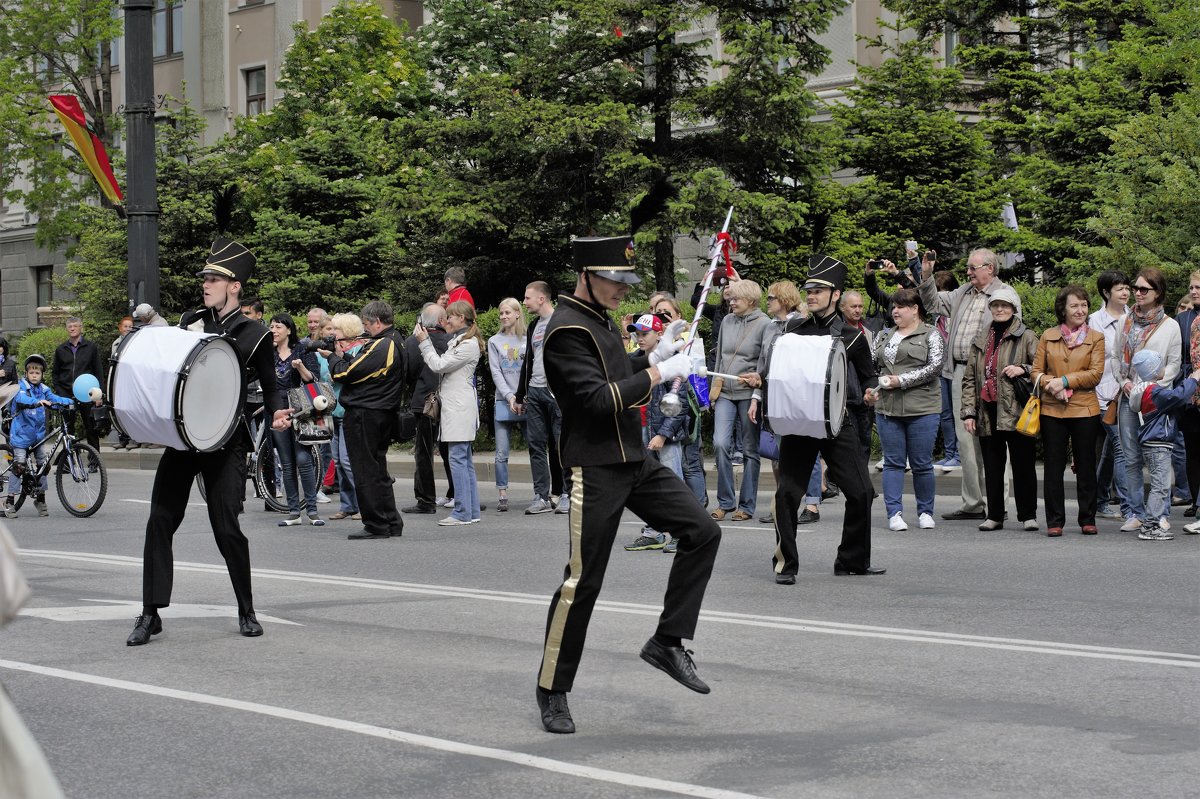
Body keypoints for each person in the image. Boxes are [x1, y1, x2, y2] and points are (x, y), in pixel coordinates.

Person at [536, 235, 721, 736]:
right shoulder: (564, 330)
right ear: (586, 276)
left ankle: (667, 641)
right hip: (594, 467)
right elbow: (597, 400)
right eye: (614, 280)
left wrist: (654, 354)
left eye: (625, 281)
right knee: (583, 583)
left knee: (703, 531)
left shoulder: (596, 318)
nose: (622, 290)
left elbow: (617, 373)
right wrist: (661, 371)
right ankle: (553, 689)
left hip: (632, 458)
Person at [127, 237, 291, 646]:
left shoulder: (255, 334)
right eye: (205, 277)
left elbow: (271, 386)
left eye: (214, 278)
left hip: (225, 442)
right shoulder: (190, 320)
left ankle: (246, 609)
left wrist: (277, 411)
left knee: (226, 528)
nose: (206, 283)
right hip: (183, 439)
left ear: (234, 286)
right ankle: (150, 614)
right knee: (159, 522)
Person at [753, 255, 883, 585]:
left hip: (838, 422)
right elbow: (780, 373)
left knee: (862, 493)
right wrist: (760, 381)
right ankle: (786, 565)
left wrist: (870, 392)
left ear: (835, 294)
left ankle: (852, 561)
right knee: (787, 494)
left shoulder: (852, 336)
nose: (810, 295)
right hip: (800, 424)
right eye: (808, 289)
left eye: (818, 290)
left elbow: (869, 376)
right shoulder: (793, 330)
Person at [918, 248, 1010, 520]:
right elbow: (933, 303)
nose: (968, 272)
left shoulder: (1004, 294)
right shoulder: (963, 293)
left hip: (990, 374)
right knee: (965, 439)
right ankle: (973, 503)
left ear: (989, 269)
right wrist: (926, 274)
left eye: (973, 267)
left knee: (993, 439)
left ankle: (998, 504)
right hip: (959, 373)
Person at [325, 300, 407, 540]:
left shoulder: (383, 345)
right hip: (379, 413)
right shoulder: (396, 341)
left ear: (378, 322)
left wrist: (332, 357)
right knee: (378, 470)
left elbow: (345, 373)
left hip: (365, 414)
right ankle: (391, 521)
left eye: (367, 324)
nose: (365, 329)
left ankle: (376, 524)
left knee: (365, 471)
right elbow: (364, 370)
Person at [960, 287, 1040, 531]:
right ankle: (994, 516)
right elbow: (970, 379)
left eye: (1005, 305)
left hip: (1016, 410)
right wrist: (969, 412)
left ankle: (1028, 516)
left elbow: (1041, 367)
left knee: (1023, 465)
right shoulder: (981, 337)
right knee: (993, 467)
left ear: (1014, 308)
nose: (1000, 309)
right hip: (987, 410)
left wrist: (1023, 368)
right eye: (995, 305)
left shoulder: (1026, 335)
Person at [867, 287, 944, 531]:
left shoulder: (931, 334)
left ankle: (925, 512)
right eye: (893, 307)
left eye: (900, 307)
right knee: (893, 462)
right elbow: (872, 368)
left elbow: (934, 367)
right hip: (888, 408)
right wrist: (871, 390)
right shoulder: (884, 335)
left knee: (921, 463)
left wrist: (902, 380)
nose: (895, 311)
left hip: (923, 407)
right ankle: (894, 514)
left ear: (915, 309)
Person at [1031, 285, 1105, 537]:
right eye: (1074, 305)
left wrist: (1064, 381)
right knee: (1053, 466)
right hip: (1053, 409)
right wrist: (1050, 384)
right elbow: (1035, 372)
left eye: (1084, 305)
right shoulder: (1048, 336)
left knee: (1086, 465)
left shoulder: (1096, 337)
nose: (1080, 310)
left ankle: (1087, 518)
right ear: (1062, 309)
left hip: (1085, 408)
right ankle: (1054, 520)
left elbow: (1095, 374)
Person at [1116, 268, 1182, 534]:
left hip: (1154, 401)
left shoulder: (1171, 325)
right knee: (1130, 458)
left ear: (1158, 293)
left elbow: (1174, 366)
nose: (1138, 293)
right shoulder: (1125, 321)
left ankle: (1162, 513)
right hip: (1127, 397)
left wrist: (1151, 388)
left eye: (1145, 289)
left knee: (1158, 460)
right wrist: (1124, 383)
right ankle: (1136, 512)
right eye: (1136, 288)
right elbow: (1114, 358)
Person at [415, 300, 482, 526]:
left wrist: (424, 343)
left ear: (461, 319)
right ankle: (470, 511)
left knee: (458, 459)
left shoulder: (468, 344)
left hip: (459, 407)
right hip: (457, 406)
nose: (447, 321)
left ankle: (462, 512)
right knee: (463, 460)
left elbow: (438, 365)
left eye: (450, 317)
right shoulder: (462, 341)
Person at [710, 279, 771, 521]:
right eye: (730, 298)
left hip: (748, 395)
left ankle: (746, 506)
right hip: (725, 391)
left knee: (750, 450)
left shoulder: (765, 323)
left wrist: (758, 388)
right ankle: (725, 502)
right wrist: (715, 390)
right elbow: (720, 358)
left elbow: (765, 361)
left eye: (736, 298)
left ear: (751, 301)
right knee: (720, 444)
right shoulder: (726, 320)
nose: (731, 301)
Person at [746, 281, 805, 525]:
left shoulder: (801, 325)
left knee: (792, 454)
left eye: (771, 297)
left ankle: (798, 504)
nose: (767, 301)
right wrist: (755, 398)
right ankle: (782, 504)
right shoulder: (770, 328)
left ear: (784, 300)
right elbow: (762, 366)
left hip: (792, 399)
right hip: (770, 398)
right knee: (775, 455)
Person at [1126, 350, 1199, 541]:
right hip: (1158, 444)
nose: (1164, 369)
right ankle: (1150, 526)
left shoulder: (1144, 390)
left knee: (1162, 485)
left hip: (1153, 443)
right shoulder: (1154, 391)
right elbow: (1178, 397)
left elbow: (1174, 405)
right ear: (1152, 370)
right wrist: (1193, 380)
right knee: (1161, 486)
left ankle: (1153, 523)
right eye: (1160, 366)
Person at [517, 280, 569, 514]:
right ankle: (541, 496)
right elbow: (529, 359)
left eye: (528, 298)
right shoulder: (534, 325)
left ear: (542, 298)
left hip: (557, 393)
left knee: (562, 444)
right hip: (535, 391)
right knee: (536, 444)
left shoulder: (562, 321)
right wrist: (521, 394)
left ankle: (568, 493)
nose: (524, 302)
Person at [267, 313, 323, 527]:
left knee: (303, 459)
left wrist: (299, 367)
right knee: (287, 462)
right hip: (276, 408)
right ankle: (293, 512)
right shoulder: (268, 353)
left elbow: (314, 379)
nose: (274, 330)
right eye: (272, 326)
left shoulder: (302, 350)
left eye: (278, 326)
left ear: (289, 330)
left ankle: (312, 511)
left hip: (300, 407)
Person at [4, 355, 73, 518]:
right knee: (19, 466)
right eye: (32, 372)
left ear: (42, 375)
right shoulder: (21, 387)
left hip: (38, 436)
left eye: (38, 372)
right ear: (27, 373)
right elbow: (21, 399)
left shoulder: (44, 389)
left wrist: (71, 401)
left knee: (44, 465)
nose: (34, 375)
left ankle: (40, 499)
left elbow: (54, 398)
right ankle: (9, 501)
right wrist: (36, 402)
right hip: (21, 434)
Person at [1090, 271, 1133, 523]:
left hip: (1127, 393)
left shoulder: (1133, 318)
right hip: (1101, 393)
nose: (1125, 292)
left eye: (1127, 287)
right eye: (1119, 288)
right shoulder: (1093, 321)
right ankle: (1130, 508)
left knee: (1110, 450)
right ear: (1106, 293)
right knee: (1121, 447)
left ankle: (1100, 500)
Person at [402, 303, 451, 514]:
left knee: (423, 452)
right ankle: (458, 494)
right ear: (442, 321)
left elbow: (406, 374)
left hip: (423, 403)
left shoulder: (411, 342)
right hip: (450, 402)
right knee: (453, 451)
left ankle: (426, 499)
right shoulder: (452, 341)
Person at [488, 298, 527, 512]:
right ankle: (502, 493)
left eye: (507, 313)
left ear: (517, 314)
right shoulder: (494, 341)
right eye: (501, 313)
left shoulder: (528, 340)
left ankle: (544, 492)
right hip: (504, 401)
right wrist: (511, 397)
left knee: (537, 447)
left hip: (528, 401)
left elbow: (532, 371)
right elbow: (496, 372)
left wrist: (523, 397)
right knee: (501, 453)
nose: (503, 316)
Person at [324, 313, 363, 521]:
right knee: (338, 461)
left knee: (349, 461)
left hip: (349, 412)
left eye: (335, 329)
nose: (332, 333)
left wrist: (335, 360)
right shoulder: (336, 351)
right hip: (336, 412)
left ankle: (364, 504)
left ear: (346, 331)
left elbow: (346, 375)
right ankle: (348, 505)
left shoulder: (357, 350)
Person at [52, 316, 103, 452]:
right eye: (70, 326)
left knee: (91, 427)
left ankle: (94, 460)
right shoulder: (61, 349)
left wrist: (98, 395)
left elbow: (98, 371)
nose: (72, 328)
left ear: (81, 328)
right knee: (68, 429)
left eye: (75, 326)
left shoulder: (90, 347)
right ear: (67, 329)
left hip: (87, 393)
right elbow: (55, 373)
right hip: (66, 394)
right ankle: (69, 461)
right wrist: (59, 392)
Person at [1173, 271, 1200, 518]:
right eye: (1192, 287)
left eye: (1198, 288)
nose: (1193, 291)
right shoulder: (1183, 319)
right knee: (1192, 449)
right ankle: (1194, 499)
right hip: (1190, 390)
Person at [110, 317, 135, 450]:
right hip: (118, 381)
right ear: (120, 328)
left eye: (130, 326)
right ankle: (122, 438)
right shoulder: (116, 343)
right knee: (119, 410)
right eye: (125, 326)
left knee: (131, 410)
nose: (128, 329)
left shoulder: (136, 342)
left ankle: (134, 439)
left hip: (131, 381)